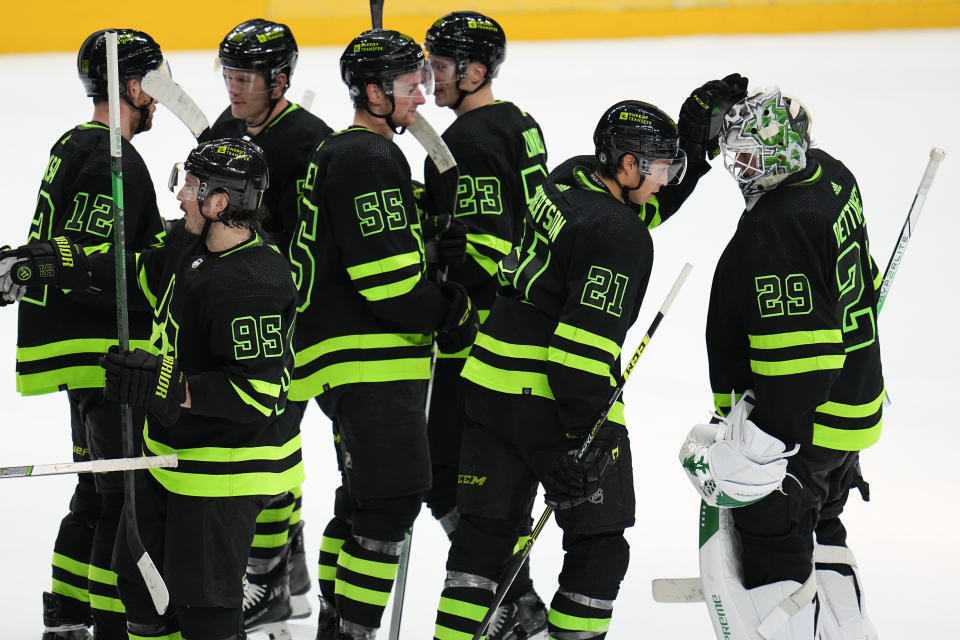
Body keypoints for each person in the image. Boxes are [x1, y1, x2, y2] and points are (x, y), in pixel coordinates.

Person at [1, 137, 304, 639]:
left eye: (191, 185)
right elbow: (137, 274)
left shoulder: (255, 282)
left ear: (219, 202)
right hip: (167, 460)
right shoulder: (193, 248)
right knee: (141, 595)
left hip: (223, 474)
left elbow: (259, 395)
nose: (181, 195)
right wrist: (60, 264)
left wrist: (172, 386)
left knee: (203, 611)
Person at [431, 97, 709, 640]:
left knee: (482, 546)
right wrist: (584, 439)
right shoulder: (621, 237)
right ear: (627, 165)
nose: (664, 181)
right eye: (659, 168)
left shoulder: (570, 178)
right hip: (553, 403)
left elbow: (628, 210)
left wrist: (697, 156)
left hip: (488, 387)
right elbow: (578, 355)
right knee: (599, 545)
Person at [286, 28, 478, 640]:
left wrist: (426, 219)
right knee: (394, 497)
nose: (421, 96)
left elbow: (368, 242)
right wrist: (448, 309)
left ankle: (338, 627)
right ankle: (356, 631)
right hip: (367, 358)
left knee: (365, 501)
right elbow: (388, 283)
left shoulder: (343, 153)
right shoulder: (370, 156)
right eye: (408, 86)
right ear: (373, 92)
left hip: (339, 356)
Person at [690, 87, 882, 639]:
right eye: (737, 154)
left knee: (775, 550)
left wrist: (763, 447)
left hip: (804, 428)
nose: (740, 168)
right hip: (852, 402)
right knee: (822, 520)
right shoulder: (830, 173)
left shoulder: (776, 229)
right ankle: (848, 626)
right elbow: (853, 282)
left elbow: (798, 364)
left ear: (780, 152)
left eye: (751, 155)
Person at [6, 28, 167, 640]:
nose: (160, 96)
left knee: (96, 495)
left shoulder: (74, 144)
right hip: (101, 359)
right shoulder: (109, 159)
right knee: (118, 502)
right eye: (155, 83)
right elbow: (95, 261)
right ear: (133, 86)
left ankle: (69, 617)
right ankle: (105, 622)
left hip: (78, 357)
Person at [421, 11, 551, 638]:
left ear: (475, 72)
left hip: (478, 336)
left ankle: (514, 601)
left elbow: (487, 248)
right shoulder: (520, 124)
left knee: (443, 476)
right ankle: (515, 600)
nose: (430, 78)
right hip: (520, 327)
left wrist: (447, 257)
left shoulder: (465, 144)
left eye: (441, 68)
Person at [207, 17, 335, 630]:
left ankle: (268, 580)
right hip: (237, 318)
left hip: (294, 324)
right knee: (262, 446)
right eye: (229, 75)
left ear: (279, 79)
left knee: (271, 451)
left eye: (245, 78)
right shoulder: (225, 130)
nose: (234, 88)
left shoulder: (310, 142)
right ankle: (291, 574)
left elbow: (315, 243)